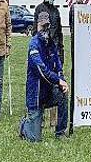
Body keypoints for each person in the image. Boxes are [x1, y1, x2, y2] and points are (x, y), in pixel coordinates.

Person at [19, 12, 69, 142]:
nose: (45, 29)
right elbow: (42, 71)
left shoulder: (51, 45)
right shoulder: (34, 45)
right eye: (43, 26)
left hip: (49, 92)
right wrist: (58, 81)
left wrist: (61, 81)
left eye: (47, 26)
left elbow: (58, 67)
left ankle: (60, 132)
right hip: (35, 95)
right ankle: (25, 125)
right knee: (34, 139)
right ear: (37, 26)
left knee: (63, 94)